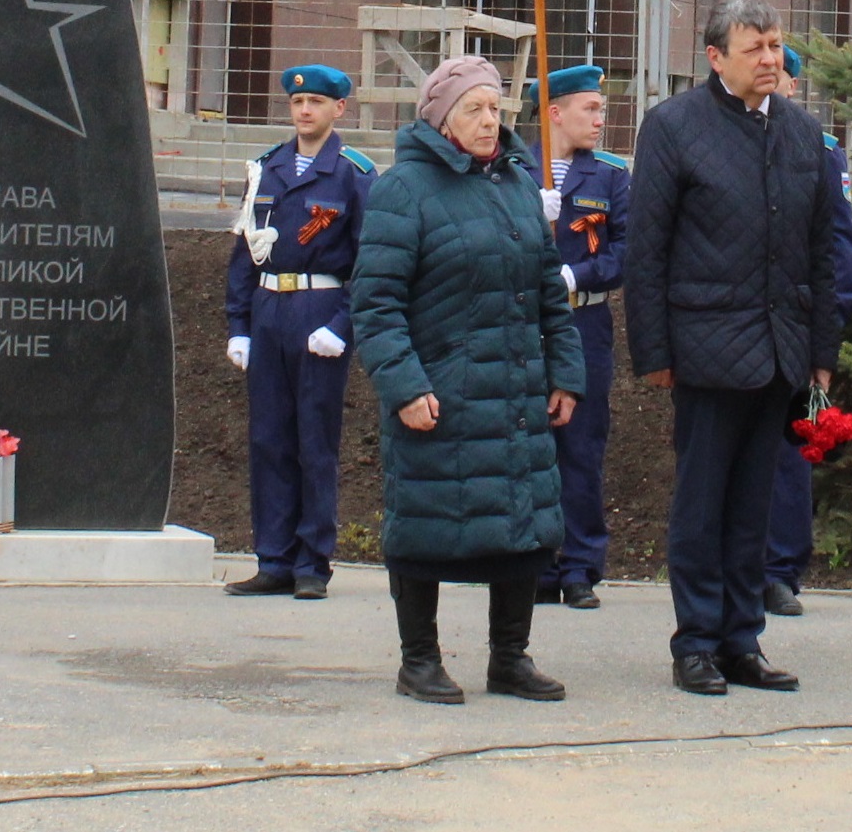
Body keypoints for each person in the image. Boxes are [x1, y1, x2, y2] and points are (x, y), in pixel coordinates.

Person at [350, 55, 586, 705]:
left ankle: (509, 658)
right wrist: (403, 386)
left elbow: (546, 288)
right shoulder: (403, 189)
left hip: (512, 390)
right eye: (474, 110)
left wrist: (565, 372)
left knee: (521, 526)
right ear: (441, 119)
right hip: (439, 394)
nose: (490, 121)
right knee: (423, 526)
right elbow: (375, 304)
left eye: (494, 108)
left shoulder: (514, 181)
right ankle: (418, 660)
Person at [625, 0, 840, 696]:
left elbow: (822, 251)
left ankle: (742, 639)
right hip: (706, 351)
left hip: (781, 352)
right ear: (715, 57)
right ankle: (695, 641)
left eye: (776, 45)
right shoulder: (673, 127)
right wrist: (653, 352)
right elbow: (646, 247)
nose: (770, 60)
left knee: (755, 505)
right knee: (702, 504)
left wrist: (820, 355)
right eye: (755, 48)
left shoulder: (804, 135)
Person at [222, 64, 374, 600]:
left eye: (316, 102)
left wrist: (343, 324)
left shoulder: (353, 173)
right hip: (270, 309)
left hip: (320, 309)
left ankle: (313, 563)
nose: (305, 111)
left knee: (314, 440)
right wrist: (238, 326)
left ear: (339, 109)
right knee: (269, 439)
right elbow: (245, 252)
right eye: (297, 101)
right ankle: (274, 558)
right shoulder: (267, 168)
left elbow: (371, 261)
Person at [521, 64, 631, 611]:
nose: (599, 119)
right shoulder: (515, 171)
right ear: (554, 113)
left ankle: (581, 565)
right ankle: (535, 562)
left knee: (581, 445)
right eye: (589, 109)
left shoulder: (610, 177)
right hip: (527, 324)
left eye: (601, 109)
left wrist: (577, 275)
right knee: (531, 445)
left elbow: (629, 250)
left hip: (584, 322)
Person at [763, 45, 852, 619]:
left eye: (783, 79)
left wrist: (828, 325)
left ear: (794, 89)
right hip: (740, 326)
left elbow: (838, 250)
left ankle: (779, 570)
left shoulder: (821, 152)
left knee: (787, 453)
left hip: (796, 324)